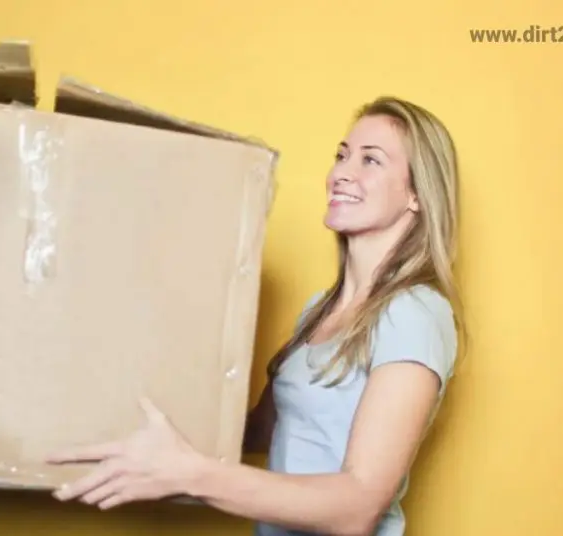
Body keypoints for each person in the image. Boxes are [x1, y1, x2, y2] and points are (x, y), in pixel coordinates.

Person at [46, 95, 465, 536]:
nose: (341, 173)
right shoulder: (318, 310)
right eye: (341, 156)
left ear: (418, 194)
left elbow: (357, 507)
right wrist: (119, 415)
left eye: (370, 161)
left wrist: (187, 473)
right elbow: (261, 432)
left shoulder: (414, 313)